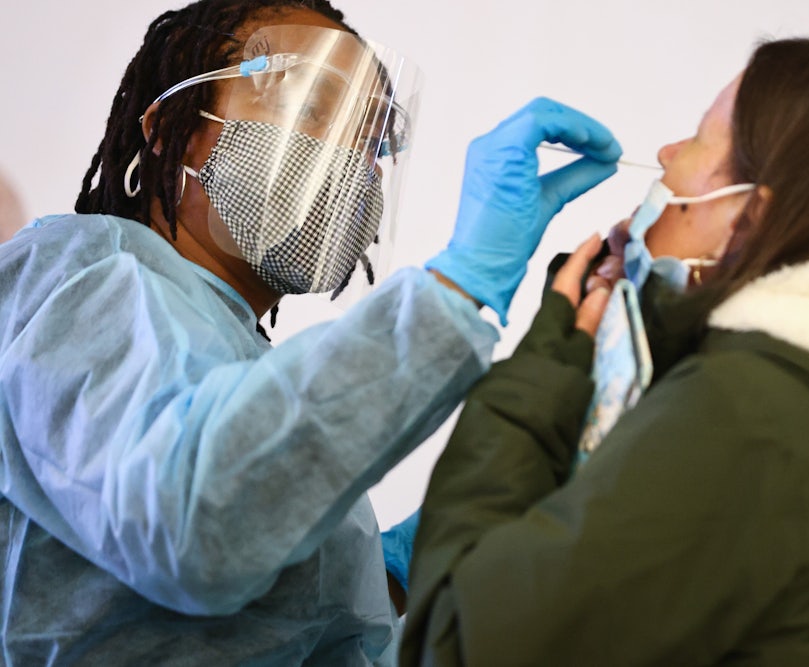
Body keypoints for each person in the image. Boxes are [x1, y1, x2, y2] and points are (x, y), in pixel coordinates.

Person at [0, 0, 621, 663]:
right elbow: (196, 525)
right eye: (315, 106)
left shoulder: (240, 365)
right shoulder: (72, 272)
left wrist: (427, 545)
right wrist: (460, 284)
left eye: (371, 135)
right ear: (169, 128)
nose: (349, 153)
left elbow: (293, 625)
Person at [401, 38, 809, 666]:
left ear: (749, 216)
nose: (663, 155)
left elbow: (457, 646)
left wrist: (544, 371)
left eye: (694, 139)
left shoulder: (749, 421)